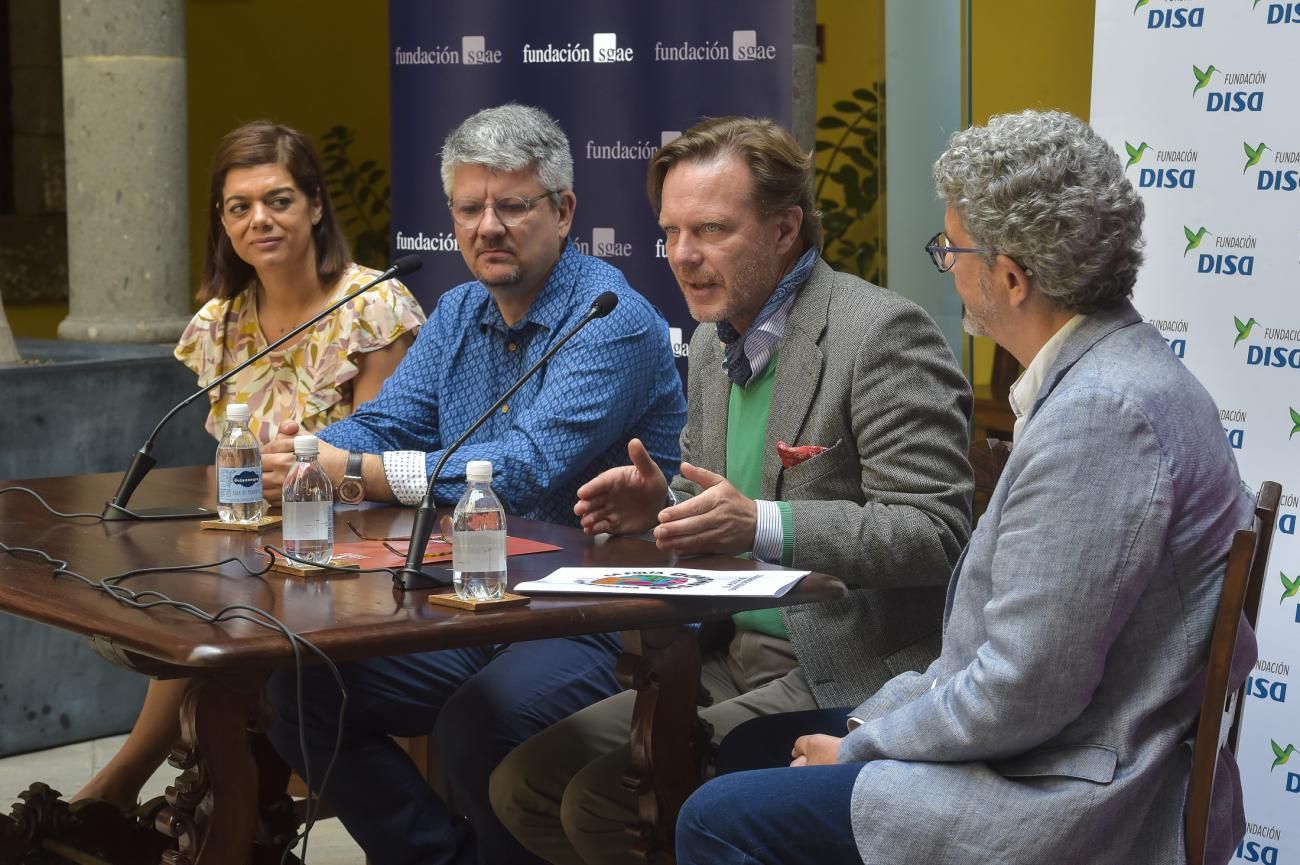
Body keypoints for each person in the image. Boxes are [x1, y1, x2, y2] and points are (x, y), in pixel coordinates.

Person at [673, 110, 1256, 865]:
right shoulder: (1116, 378)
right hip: (1051, 747)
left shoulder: (1104, 416)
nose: (946, 262)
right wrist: (867, 730)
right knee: (752, 748)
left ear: (1011, 276)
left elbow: (1021, 692)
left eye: (952, 246)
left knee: (713, 816)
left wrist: (862, 749)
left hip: (1062, 794)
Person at [490, 116, 973, 865]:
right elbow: (721, 517)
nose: (684, 256)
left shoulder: (879, 334)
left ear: (785, 228)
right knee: (522, 782)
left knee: (601, 802)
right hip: (719, 652)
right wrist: (664, 510)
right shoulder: (714, 349)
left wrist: (764, 521)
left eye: (712, 229)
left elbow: (936, 533)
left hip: (839, 666)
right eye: (672, 232)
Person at [262, 103, 687, 865]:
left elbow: (522, 469)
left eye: (512, 206)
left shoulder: (610, 316)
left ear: (563, 211)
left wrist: (351, 473)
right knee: (302, 687)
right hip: (473, 603)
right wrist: (307, 450)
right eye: (469, 208)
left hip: (591, 611)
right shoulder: (459, 309)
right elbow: (388, 423)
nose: (487, 226)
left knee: (478, 719)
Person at [71, 120, 423, 811]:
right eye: (240, 206)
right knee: (176, 594)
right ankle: (183, 805)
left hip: (345, 555)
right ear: (223, 221)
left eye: (279, 199)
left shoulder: (373, 307)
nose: (259, 218)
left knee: (209, 612)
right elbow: (226, 470)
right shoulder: (218, 325)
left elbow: (379, 461)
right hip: (252, 554)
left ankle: (125, 791)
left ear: (317, 205)